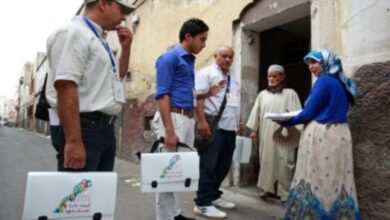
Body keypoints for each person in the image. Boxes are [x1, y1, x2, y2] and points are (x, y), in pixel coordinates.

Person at [46, 0, 134, 171]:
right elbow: (65, 85)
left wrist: (126, 49)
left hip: (104, 128)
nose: (124, 17)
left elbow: (118, 78)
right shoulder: (73, 32)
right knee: (78, 195)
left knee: (98, 195)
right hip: (85, 127)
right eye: (121, 9)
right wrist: (73, 140)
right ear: (102, 4)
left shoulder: (99, 39)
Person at [281, 49, 361, 219]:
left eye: (314, 62)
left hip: (323, 135)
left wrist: (287, 122)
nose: (311, 67)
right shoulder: (342, 83)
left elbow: (309, 112)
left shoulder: (324, 81)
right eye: (309, 63)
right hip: (341, 134)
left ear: (326, 63)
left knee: (316, 177)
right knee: (338, 179)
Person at [155, 18, 209, 220]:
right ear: (188, 36)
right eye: (202, 40)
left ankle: (174, 214)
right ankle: (164, 217)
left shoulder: (188, 60)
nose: (204, 45)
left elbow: (191, 93)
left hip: (186, 119)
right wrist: (169, 130)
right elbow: (162, 94)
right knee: (166, 172)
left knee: (176, 171)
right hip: (173, 119)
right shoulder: (169, 58)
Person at [193, 46, 240, 219]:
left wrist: (238, 122)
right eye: (224, 56)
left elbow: (232, 102)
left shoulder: (233, 79)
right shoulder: (206, 74)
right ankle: (202, 203)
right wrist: (202, 121)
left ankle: (213, 195)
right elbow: (198, 98)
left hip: (230, 127)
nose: (227, 59)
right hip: (212, 125)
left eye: (231, 57)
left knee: (223, 165)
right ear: (215, 56)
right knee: (208, 164)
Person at [246, 65, 302, 202]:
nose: (271, 79)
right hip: (266, 133)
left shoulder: (290, 93)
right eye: (269, 76)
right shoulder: (262, 95)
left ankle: (285, 192)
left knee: (285, 161)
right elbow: (256, 113)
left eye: (275, 76)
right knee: (267, 159)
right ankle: (268, 189)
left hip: (285, 133)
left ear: (282, 77)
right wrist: (254, 130)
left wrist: (299, 132)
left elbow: (298, 114)